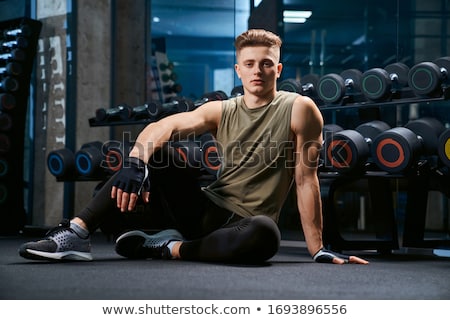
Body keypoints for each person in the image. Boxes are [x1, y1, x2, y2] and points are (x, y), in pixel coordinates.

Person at [19, 29, 368, 265]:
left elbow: (306, 180)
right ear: (238, 70)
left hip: (245, 225)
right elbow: (166, 125)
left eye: (265, 64)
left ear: (278, 68)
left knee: (266, 235)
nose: (257, 71)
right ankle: (76, 234)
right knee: (158, 152)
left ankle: (167, 247)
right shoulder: (222, 109)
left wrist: (318, 249)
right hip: (205, 210)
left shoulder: (300, 110)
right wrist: (136, 161)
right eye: (249, 64)